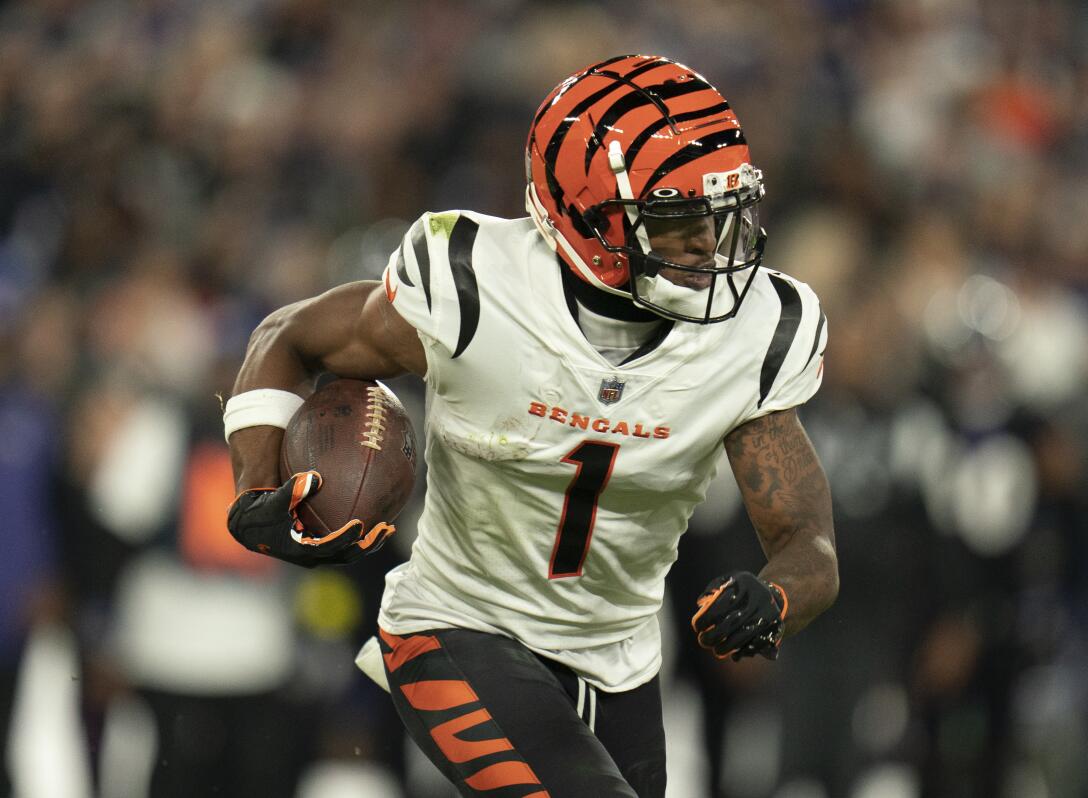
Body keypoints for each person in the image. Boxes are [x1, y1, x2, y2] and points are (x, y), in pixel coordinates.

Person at [222, 54, 839, 798]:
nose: (710, 244)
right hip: (455, 623)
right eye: (678, 223)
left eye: (720, 213)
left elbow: (809, 540)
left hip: (619, 658)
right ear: (589, 221)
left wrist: (776, 597)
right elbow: (290, 334)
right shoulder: (473, 287)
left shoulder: (755, 333)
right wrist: (256, 484)